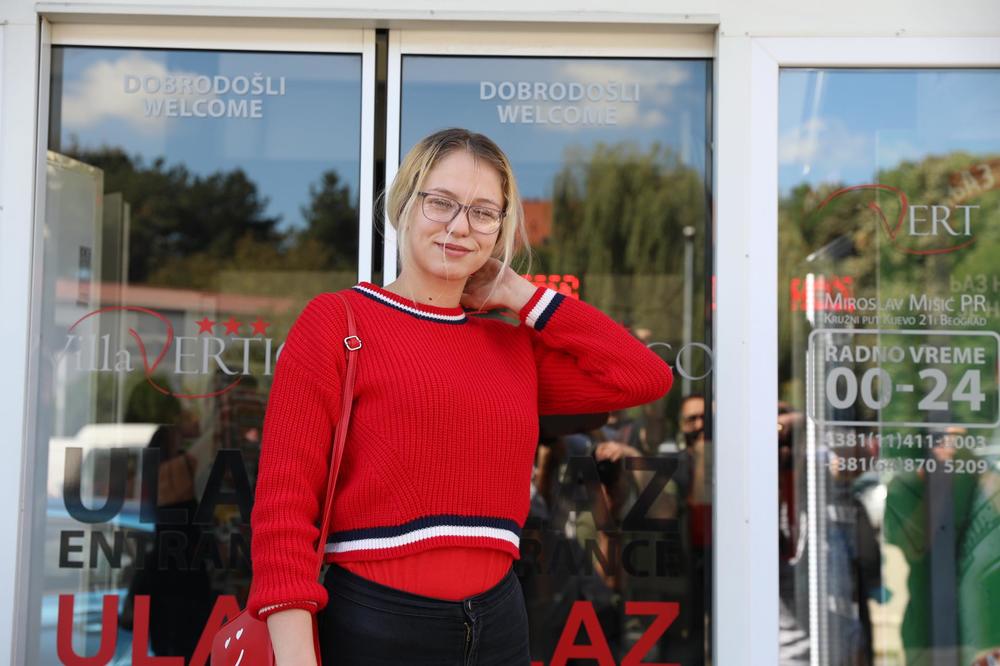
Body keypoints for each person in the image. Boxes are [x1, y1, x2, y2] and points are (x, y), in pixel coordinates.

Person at [246, 127, 675, 665]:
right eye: (441, 202)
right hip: (375, 623)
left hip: (499, 621)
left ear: (500, 230)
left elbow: (643, 377)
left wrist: (520, 292)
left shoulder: (508, 342)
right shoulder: (338, 321)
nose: (459, 226)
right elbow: (284, 507)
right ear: (405, 203)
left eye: (483, 212)